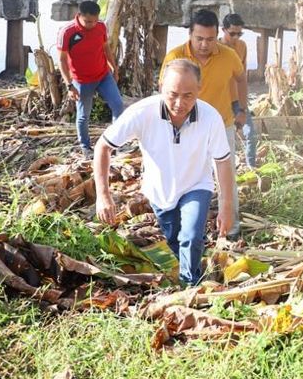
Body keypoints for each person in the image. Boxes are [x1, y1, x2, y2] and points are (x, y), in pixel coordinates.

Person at [93, 59, 235, 285]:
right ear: (161, 87)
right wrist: (103, 195)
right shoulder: (142, 112)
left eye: (188, 95)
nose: (179, 103)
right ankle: (192, 269)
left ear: (199, 89)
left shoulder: (211, 118)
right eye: (173, 94)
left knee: (191, 235)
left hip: (196, 185)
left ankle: (190, 287)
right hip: (159, 191)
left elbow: (222, 161)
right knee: (175, 240)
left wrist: (226, 206)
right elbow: (104, 146)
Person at [161, 9, 247, 238]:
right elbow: (165, 93)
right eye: (199, 39)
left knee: (226, 176)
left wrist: (242, 108)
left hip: (222, 125)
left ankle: (232, 228)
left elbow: (241, 78)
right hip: (185, 125)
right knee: (183, 174)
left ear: (217, 35)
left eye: (209, 39)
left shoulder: (228, 55)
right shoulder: (175, 57)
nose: (204, 44)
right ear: (190, 34)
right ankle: (180, 227)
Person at [57, 0, 124, 159]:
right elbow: (61, 60)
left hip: (103, 75)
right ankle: (85, 147)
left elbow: (106, 47)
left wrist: (114, 67)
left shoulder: (100, 26)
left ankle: (115, 143)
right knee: (83, 115)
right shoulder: (67, 32)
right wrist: (69, 85)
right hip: (81, 81)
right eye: (88, 21)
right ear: (79, 16)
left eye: (94, 21)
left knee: (118, 106)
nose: (92, 24)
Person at [220, 13, 258, 168]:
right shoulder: (216, 48)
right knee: (223, 138)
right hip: (220, 99)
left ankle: (251, 166)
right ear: (223, 30)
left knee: (250, 133)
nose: (235, 37)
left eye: (239, 34)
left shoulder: (242, 46)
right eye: (232, 34)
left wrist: (243, 103)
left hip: (237, 98)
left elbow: (243, 76)